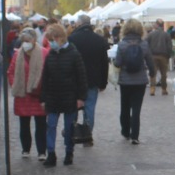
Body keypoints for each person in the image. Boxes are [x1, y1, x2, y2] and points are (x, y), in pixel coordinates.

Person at [38, 22, 87, 167]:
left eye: (52, 40)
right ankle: (51, 153)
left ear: (60, 38)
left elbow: (81, 77)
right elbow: (45, 78)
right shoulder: (51, 55)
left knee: (69, 127)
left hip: (69, 97)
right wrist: (43, 98)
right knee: (51, 125)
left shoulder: (74, 54)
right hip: (53, 98)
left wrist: (80, 97)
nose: (51, 43)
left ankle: (69, 152)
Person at [68, 14, 110, 141]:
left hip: (74, 80)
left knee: (73, 108)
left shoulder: (72, 39)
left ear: (79, 24)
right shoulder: (99, 39)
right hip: (93, 79)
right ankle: (87, 135)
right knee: (90, 108)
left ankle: (73, 133)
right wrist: (103, 82)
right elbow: (104, 63)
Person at [8, 28, 48, 159]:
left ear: (34, 40)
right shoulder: (17, 54)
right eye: (23, 41)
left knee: (41, 124)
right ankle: (26, 149)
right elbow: (11, 72)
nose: (25, 43)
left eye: (27, 40)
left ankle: (42, 151)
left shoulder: (43, 53)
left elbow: (48, 73)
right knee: (24, 124)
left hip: (38, 94)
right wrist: (16, 85)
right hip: (22, 94)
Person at [113, 18, 151, 144]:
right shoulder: (144, 44)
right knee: (136, 109)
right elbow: (150, 62)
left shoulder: (122, 44)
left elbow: (117, 63)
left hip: (125, 81)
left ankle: (125, 131)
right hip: (140, 81)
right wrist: (152, 72)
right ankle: (135, 136)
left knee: (124, 107)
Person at [145, 19, 174, 96]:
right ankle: (164, 89)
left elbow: (146, 45)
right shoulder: (167, 34)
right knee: (164, 74)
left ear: (156, 25)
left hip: (153, 56)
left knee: (153, 73)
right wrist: (168, 56)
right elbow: (169, 47)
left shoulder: (150, 34)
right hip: (164, 56)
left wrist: (147, 56)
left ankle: (152, 89)